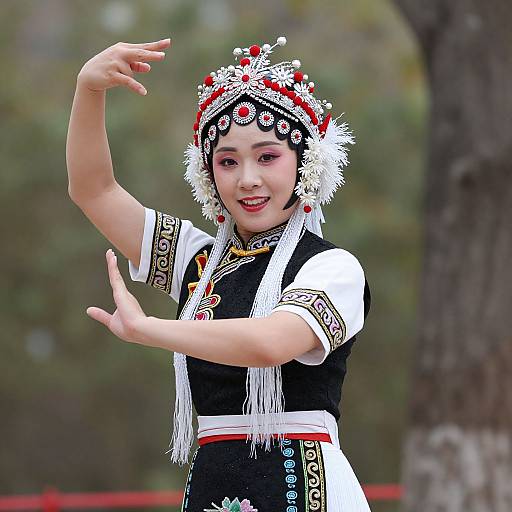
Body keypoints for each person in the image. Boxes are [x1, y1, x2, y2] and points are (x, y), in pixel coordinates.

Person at [67, 35, 372, 511]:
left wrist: (150, 330)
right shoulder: (200, 265)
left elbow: (270, 344)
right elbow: (94, 190)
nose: (247, 179)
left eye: (267, 157)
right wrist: (89, 90)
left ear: (305, 162)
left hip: (308, 491)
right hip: (212, 487)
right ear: (210, 175)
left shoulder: (332, 267)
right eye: (228, 161)